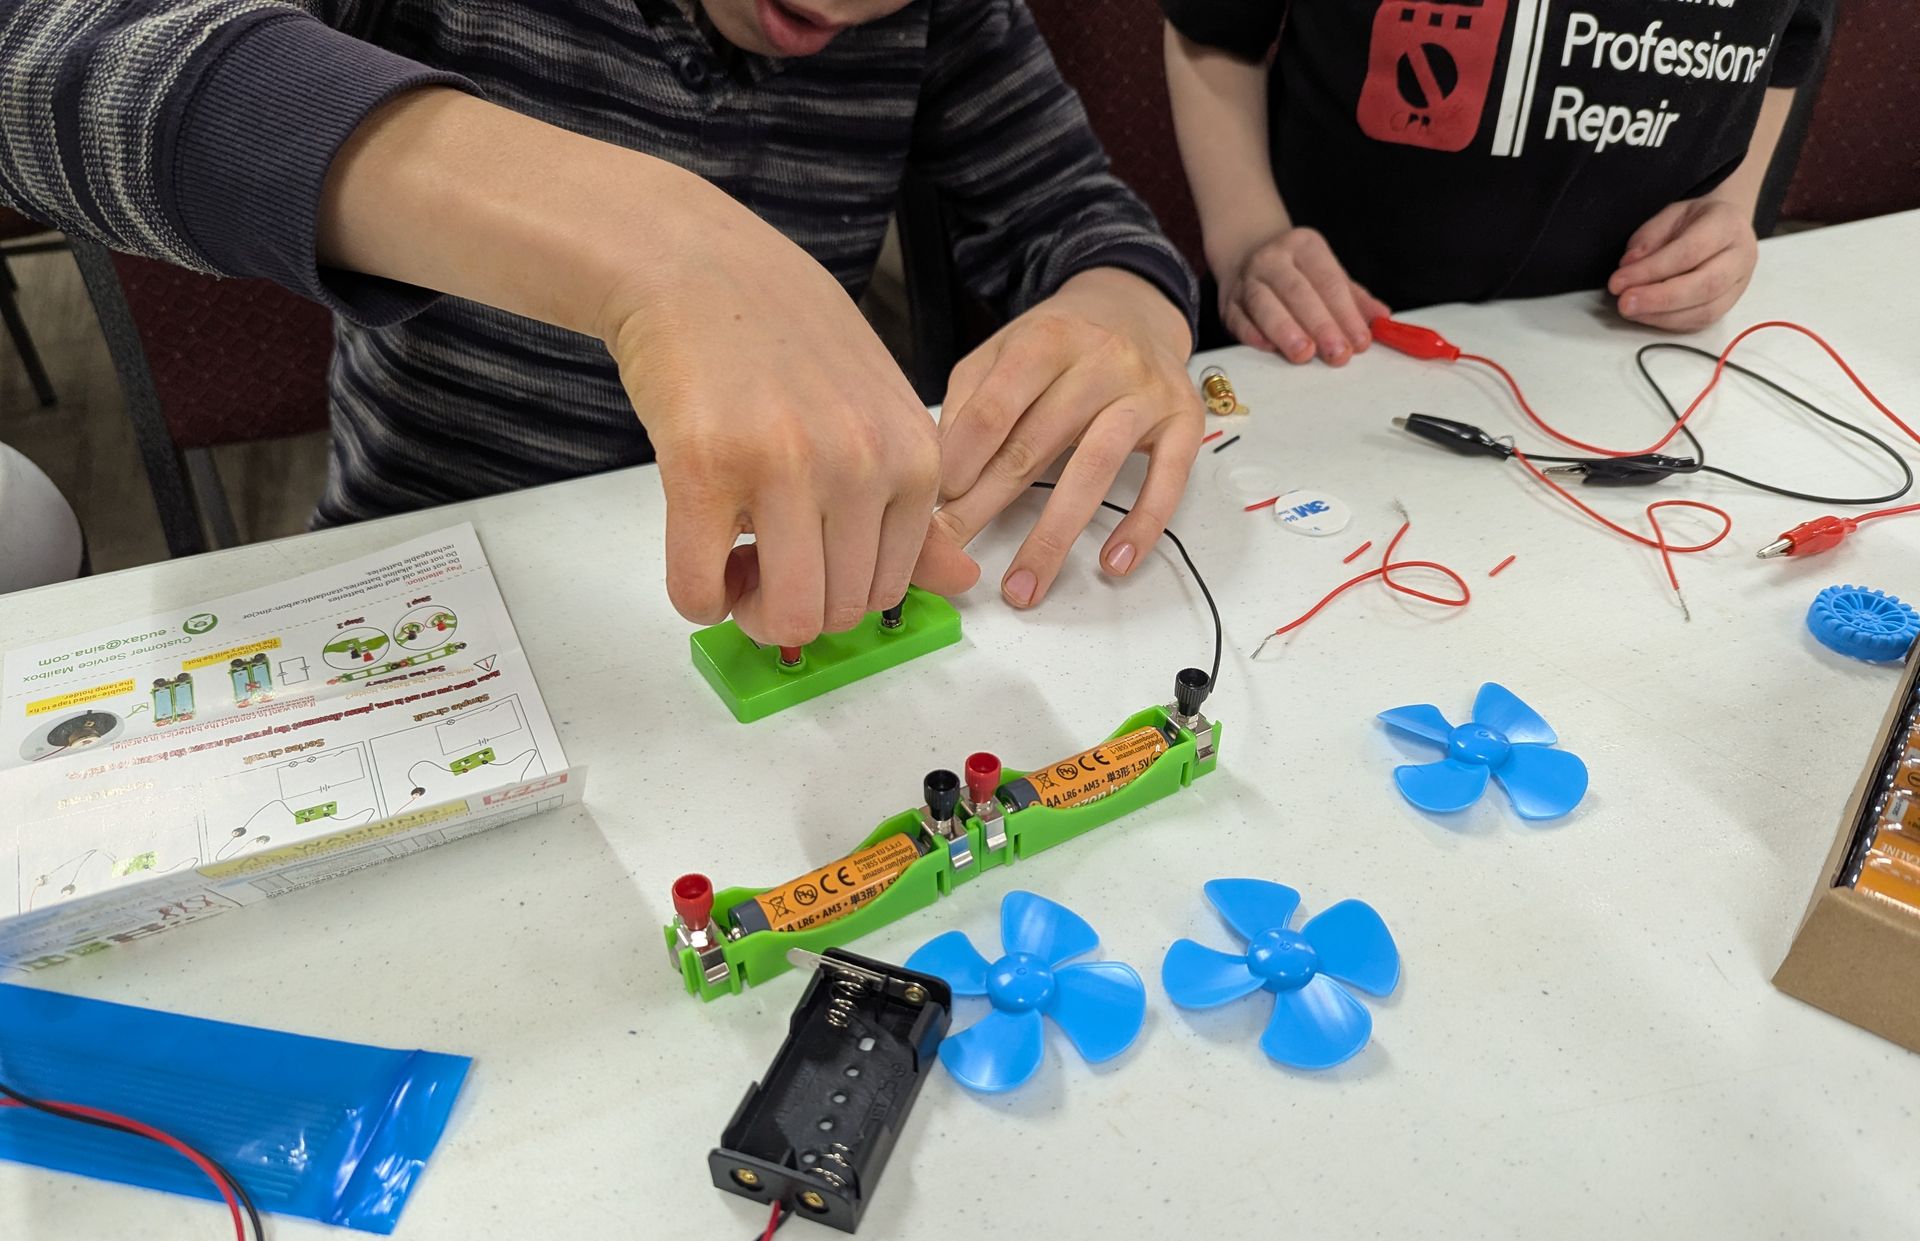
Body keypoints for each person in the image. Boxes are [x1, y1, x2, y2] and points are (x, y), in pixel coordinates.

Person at [0, 1, 1206, 642]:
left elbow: (1075, 210)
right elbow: (41, 56)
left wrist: (1129, 308)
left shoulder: (942, 20)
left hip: (785, 577)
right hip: (445, 577)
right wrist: (648, 240)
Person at [1162, 0, 1833, 364]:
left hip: (1631, 346)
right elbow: (1214, 28)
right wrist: (1248, 235)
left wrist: (1729, 207)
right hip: (1332, 326)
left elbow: (1793, 43)